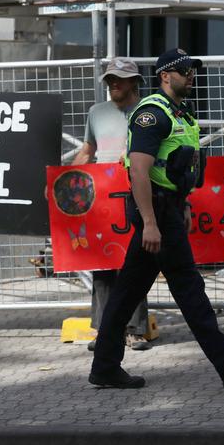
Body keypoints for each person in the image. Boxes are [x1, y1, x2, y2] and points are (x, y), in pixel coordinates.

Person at [88, 48, 224, 389]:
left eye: (192, 70)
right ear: (165, 76)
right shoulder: (152, 113)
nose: (192, 75)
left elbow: (177, 168)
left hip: (169, 209)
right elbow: (140, 172)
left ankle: (104, 365)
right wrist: (149, 222)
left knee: (127, 293)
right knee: (191, 292)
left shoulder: (182, 114)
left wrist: (184, 205)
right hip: (157, 214)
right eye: (185, 70)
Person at [72, 57, 152, 351]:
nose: (113, 84)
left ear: (134, 82)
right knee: (102, 263)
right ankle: (105, 330)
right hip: (103, 197)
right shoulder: (96, 112)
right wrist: (63, 180)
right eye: (109, 79)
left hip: (137, 192)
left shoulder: (149, 111)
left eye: (119, 78)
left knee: (135, 261)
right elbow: (87, 151)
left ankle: (135, 329)